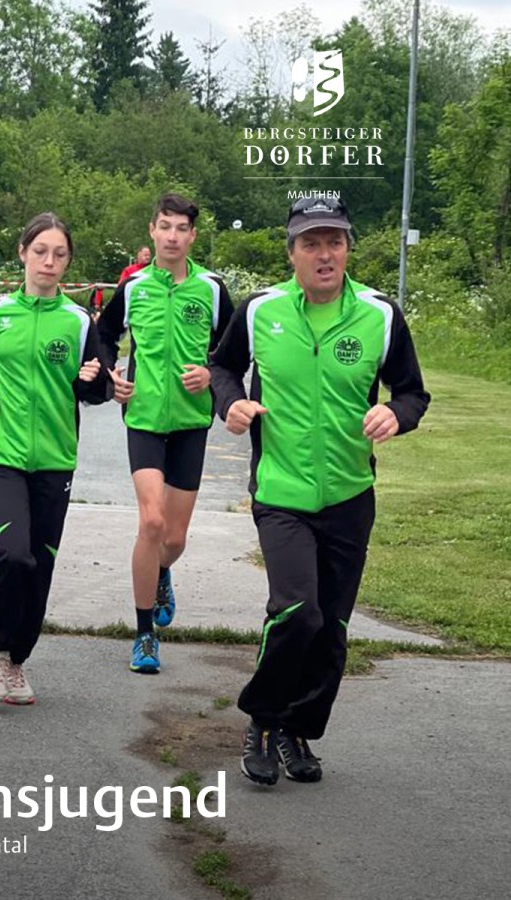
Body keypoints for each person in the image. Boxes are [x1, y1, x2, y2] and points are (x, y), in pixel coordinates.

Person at [208, 196, 430, 785]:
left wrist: (396, 414)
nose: (324, 254)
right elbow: (223, 367)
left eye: (334, 241)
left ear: (348, 249)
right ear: (292, 253)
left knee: (330, 629)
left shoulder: (380, 315)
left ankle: (297, 728)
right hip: (281, 490)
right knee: (296, 612)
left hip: (350, 495)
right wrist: (231, 403)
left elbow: (412, 392)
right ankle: (262, 719)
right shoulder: (261, 310)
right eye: (311, 243)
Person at [0, 213, 110, 704]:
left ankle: (17, 662)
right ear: (22, 253)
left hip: (56, 459)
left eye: (59, 254)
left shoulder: (79, 322)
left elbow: (98, 388)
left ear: (68, 262)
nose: (48, 261)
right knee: (14, 554)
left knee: (39, 564)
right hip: (2, 452)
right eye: (40, 251)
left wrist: (90, 380)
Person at [98, 193, 234, 674]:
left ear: (192, 236)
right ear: (152, 231)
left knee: (173, 539)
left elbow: (232, 351)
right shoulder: (133, 287)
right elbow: (103, 336)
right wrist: (111, 375)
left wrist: (211, 374)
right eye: (165, 226)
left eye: (181, 228)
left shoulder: (212, 290)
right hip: (144, 419)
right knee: (151, 522)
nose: (172, 236)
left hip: (192, 424)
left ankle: (161, 572)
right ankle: (144, 635)